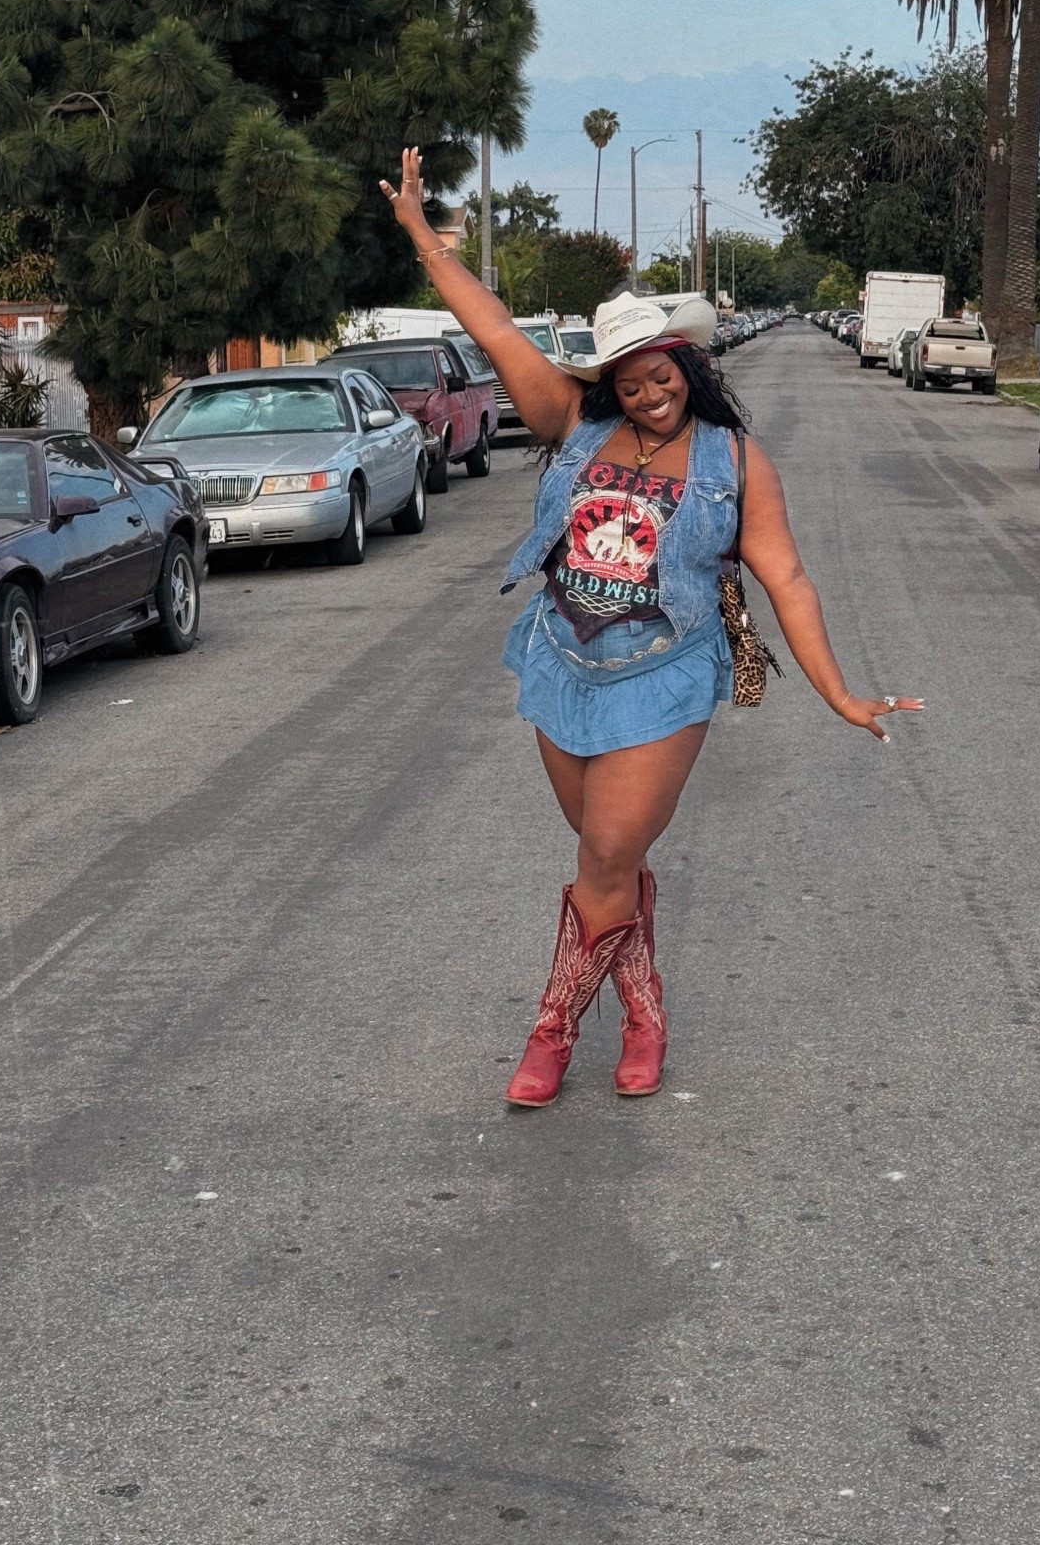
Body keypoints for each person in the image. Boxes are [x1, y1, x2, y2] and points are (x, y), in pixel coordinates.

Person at [380, 149, 921, 1106]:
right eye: (627, 379)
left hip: (664, 676)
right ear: (612, 383)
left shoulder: (736, 462)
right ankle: (644, 1001)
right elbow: (496, 328)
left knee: (605, 853)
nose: (645, 391)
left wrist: (837, 689)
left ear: (689, 366)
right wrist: (426, 240)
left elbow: (785, 575)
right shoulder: (573, 426)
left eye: (658, 372)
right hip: (560, 663)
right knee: (610, 856)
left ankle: (552, 1028)